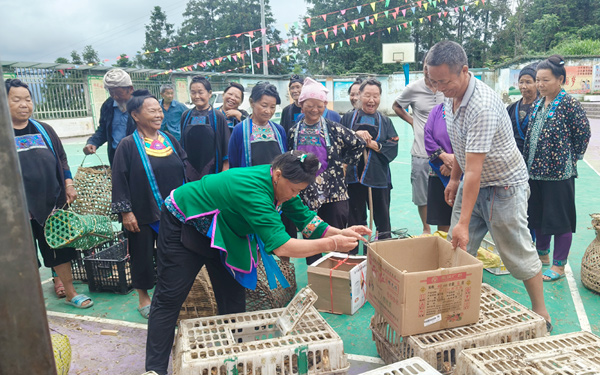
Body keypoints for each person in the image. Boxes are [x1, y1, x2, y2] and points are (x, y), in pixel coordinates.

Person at [145, 151, 371, 374]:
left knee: (233, 300)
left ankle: (232, 361)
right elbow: (283, 246)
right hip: (186, 222)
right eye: (294, 190)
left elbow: (305, 218)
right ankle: (154, 369)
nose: (294, 196)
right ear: (278, 175)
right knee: (170, 297)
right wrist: (332, 244)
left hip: (225, 229)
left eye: (299, 191)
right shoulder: (255, 191)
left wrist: (341, 231)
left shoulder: (282, 186)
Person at [425, 40, 552, 331]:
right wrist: (453, 179)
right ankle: (454, 310)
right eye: (434, 81)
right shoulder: (450, 95)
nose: (440, 88)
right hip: (474, 182)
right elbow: (460, 146)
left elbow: (475, 170)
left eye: (444, 81)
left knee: (516, 251)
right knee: (457, 248)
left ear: (464, 71)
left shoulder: (482, 105)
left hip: (503, 186)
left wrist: (462, 220)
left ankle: (541, 312)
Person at [6, 79, 93, 308]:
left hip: (51, 201)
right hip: (16, 208)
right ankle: (30, 299)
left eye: (28, 99)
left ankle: (70, 292)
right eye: (17, 100)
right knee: (22, 256)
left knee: (60, 247)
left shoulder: (44, 129)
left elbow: (61, 158)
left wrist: (68, 184)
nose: (24, 104)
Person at [112, 90, 187, 318]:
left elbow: (183, 165)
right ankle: (143, 298)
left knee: (173, 254)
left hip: (173, 210)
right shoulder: (127, 145)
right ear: (136, 115)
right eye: (152, 110)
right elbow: (119, 179)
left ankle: (171, 294)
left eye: (159, 110)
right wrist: (126, 212)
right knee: (142, 254)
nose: (159, 114)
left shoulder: (169, 139)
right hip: (142, 212)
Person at [523, 55, 591, 282]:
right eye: (538, 80)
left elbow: (583, 133)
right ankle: (542, 255)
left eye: (545, 80)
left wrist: (572, 159)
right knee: (538, 217)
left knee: (560, 220)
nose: (540, 84)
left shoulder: (569, 104)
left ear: (560, 79)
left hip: (559, 174)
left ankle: (559, 265)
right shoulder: (538, 104)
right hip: (534, 172)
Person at [288, 78, 365, 264]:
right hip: (306, 193)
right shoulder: (293, 131)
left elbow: (358, 143)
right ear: (301, 104)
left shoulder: (334, 129)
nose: (315, 110)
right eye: (310, 105)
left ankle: (337, 274)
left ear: (325, 105)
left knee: (337, 236)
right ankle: (315, 274)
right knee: (311, 237)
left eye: (319, 106)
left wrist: (346, 164)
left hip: (334, 193)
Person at [341, 78, 399, 246]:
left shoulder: (386, 121)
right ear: (359, 95)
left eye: (376, 96)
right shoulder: (348, 118)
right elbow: (339, 141)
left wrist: (373, 145)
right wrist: (355, 135)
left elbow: (393, 144)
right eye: (367, 95)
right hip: (353, 179)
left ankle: (382, 250)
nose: (371, 100)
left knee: (382, 217)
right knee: (354, 217)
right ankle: (353, 251)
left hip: (378, 178)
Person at [393, 58, 444, 234]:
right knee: (422, 195)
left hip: (446, 153)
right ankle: (426, 229)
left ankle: (443, 231)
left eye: (431, 67)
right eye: (425, 67)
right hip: (421, 153)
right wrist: (412, 121)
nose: (427, 71)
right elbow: (397, 106)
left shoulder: (446, 87)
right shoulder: (413, 88)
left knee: (446, 193)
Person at [180, 76, 230, 181]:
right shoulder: (186, 116)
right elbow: (182, 144)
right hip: (190, 169)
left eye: (200, 92)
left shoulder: (217, 116)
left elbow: (226, 146)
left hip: (212, 170)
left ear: (209, 93)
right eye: (193, 92)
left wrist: (225, 171)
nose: (197, 96)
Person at [83, 69, 136, 166]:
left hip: (139, 156)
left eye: (119, 93)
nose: (115, 97)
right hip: (116, 156)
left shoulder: (142, 106)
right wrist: (93, 142)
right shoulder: (108, 106)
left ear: (131, 89)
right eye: (112, 93)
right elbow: (103, 130)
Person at [228, 82, 286, 168]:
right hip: (249, 180)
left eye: (272, 107)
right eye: (264, 105)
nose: (268, 111)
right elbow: (233, 163)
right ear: (252, 102)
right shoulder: (240, 130)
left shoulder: (279, 130)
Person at [424, 104, 454, 233]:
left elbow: (474, 139)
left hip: (466, 170)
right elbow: (427, 135)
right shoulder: (437, 110)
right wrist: (443, 157)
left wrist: (455, 163)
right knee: (443, 219)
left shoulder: (471, 108)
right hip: (439, 169)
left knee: (465, 217)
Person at [507, 64, 539, 154]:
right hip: (513, 157)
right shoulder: (511, 108)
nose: (523, 86)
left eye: (528, 82)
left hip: (534, 157)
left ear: (537, 84)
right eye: (521, 82)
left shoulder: (541, 109)